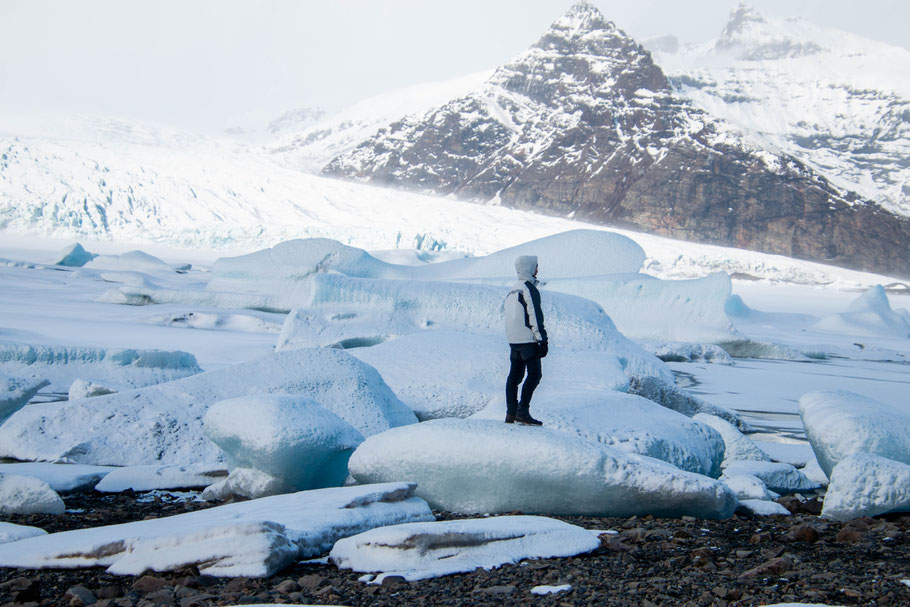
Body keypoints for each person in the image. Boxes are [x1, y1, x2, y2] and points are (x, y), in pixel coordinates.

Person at [503, 255, 547, 425]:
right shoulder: (528, 288)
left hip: (513, 340)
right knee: (535, 374)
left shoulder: (513, 289)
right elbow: (535, 316)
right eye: (536, 266)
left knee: (514, 377)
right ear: (529, 268)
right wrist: (542, 340)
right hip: (527, 340)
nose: (537, 269)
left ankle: (510, 414)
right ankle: (523, 411)